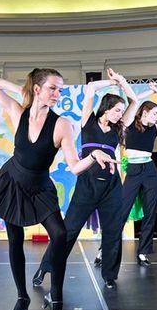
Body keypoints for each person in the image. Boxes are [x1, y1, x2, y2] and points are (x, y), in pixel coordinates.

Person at [0, 68, 116, 310]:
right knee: (15, 240)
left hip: (41, 187)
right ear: (37, 89)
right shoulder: (18, 112)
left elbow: (74, 166)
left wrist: (94, 156)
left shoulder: (62, 124)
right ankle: (22, 298)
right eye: (52, 88)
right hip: (13, 182)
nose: (58, 93)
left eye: (60, 89)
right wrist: (24, 90)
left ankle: (56, 301)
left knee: (59, 234)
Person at [32, 68, 126, 291]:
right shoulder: (88, 122)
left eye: (122, 111)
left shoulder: (117, 130)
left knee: (113, 231)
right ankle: (46, 267)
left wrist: (123, 83)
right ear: (107, 108)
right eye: (117, 110)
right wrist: (113, 82)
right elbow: (91, 88)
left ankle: (110, 275)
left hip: (112, 186)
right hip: (88, 185)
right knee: (68, 230)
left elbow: (132, 102)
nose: (120, 114)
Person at [120, 82, 157, 266]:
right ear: (144, 112)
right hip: (133, 171)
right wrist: (149, 92)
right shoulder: (128, 126)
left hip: (150, 170)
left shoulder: (154, 130)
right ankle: (106, 249)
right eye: (154, 113)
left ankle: (143, 252)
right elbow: (134, 102)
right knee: (122, 210)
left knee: (151, 210)